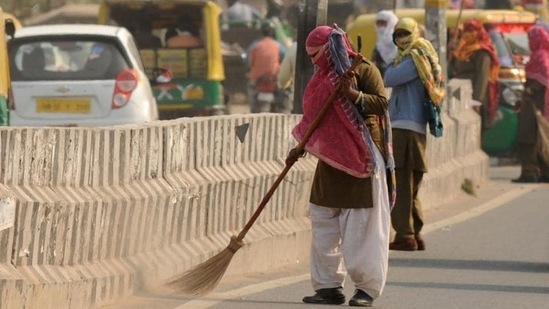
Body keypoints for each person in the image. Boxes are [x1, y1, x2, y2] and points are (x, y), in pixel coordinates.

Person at [289, 24, 395, 307]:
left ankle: (366, 290)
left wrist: (352, 94)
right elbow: (315, 118)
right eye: (310, 56)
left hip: (361, 156)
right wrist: (301, 145)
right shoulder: (321, 76)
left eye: (316, 54)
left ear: (331, 48)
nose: (313, 61)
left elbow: (381, 104)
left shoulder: (362, 69)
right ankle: (327, 286)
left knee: (362, 226)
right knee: (323, 219)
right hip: (331, 159)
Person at [383, 17, 445, 251]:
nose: (400, 39)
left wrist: (391, 61)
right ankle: (414, 233)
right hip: (413, 127)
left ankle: (405, 234)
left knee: (401, 182)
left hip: (405, 128)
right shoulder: (422, 54)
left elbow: (389, 78)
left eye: (403, 34)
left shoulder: (413, 58)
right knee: (411, 183)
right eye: (396, 34)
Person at [513, 25, 549, 183]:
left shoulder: (540, 56)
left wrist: (530, 91)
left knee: (529, 138)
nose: (529, 42)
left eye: (530, 39)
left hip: (536, 105)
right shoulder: (540, 54)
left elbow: (544, 79)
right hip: (535, 103)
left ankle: (530, 172)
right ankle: (542, 172)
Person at [449, 18, 500, 131]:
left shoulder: (482, 52)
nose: (468, 34)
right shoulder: (463, 48)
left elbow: (483, 77)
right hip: (460, 94)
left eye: (471, 31)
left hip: (474, 97)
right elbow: (457, 67)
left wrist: (476, 100)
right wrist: (452, 53)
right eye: (466, 31)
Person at [245, 23, 285, 112]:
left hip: (257, 77)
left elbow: (248, 62)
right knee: (285, 90)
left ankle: (253, 108)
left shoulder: (254, 46)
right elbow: (284, 59)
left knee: (250, 89)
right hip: (274, 76)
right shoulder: (279, 46)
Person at [371, 10, 398, 77]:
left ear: (391, 22)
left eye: (383, 23)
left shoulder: (398, 40)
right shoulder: (379, 43)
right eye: (378, 23)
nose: (380, 26)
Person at [276, 41, 296, 113]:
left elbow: (283, 78)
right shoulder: (330, 44)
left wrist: (284, 86)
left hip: (297, 100)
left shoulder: (293, 48)